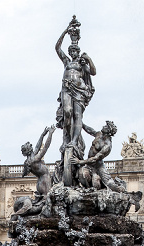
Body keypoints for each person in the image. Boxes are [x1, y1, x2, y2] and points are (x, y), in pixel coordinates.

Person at [55, 18, 96, 156]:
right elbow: (57, 47)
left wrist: (89, 59)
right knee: (67, 112)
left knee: (78, 115)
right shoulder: (66, 61)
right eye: (71, 50)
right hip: (66, 89)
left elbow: (94, 72)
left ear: (77, 52)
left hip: (79, 90)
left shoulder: (82, 63)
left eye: (74, 50)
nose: (72, 52)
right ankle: (67, 139)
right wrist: (66, 31)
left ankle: (74, 140)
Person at [21, 125, 56, 199]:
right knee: (48, 202)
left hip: (40, 183)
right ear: (29, 149)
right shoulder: (34, 159)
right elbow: (45, 147)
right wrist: (50, 134)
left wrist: (42, 135)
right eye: (30, 146)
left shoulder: (29, 160)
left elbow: (38, 146)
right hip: (45, 181)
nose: (32, 147)